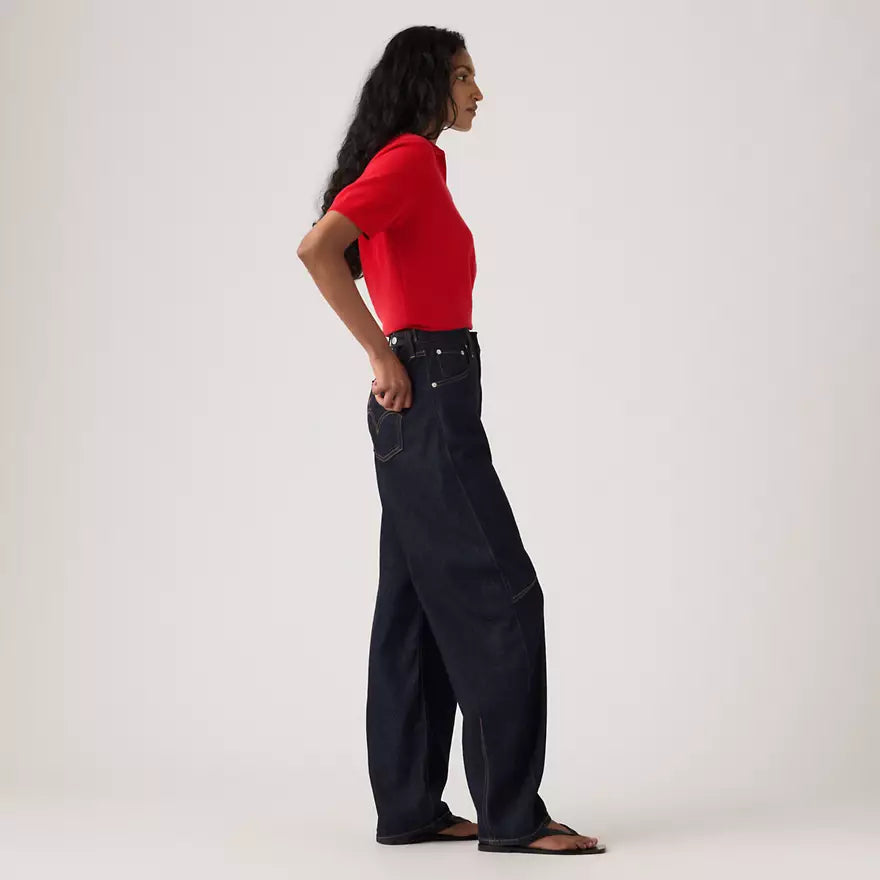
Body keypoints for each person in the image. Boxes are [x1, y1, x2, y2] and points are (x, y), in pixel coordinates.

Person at [297, 25, 606, 857]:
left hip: (424, 401)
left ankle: (411, 807)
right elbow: (319, 249)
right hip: (429, 395)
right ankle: (514, 814)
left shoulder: (411, 164)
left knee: (413, 609)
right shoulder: (409, 158)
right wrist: (380, 354)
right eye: (464, 76)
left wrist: (390, 358)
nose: (477, 92)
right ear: (428, 82)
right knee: (506, 598)